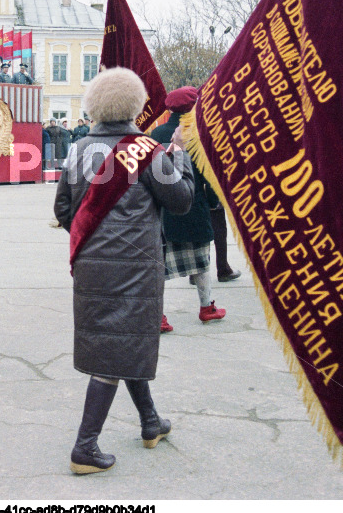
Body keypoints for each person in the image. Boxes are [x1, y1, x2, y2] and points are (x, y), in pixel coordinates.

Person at [54, 67, 194, 475]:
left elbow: (63, 210)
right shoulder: (148, 150)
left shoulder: (78, 150)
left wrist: (93, 239)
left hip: (90, 265)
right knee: (117, 346)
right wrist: (180, 155)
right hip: (135, 267)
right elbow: (182, 200)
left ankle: (150, 422)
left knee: (121, 340)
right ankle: (85, 447)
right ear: (135, 105)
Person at [150, 87, 227, 331]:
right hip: (194, 204)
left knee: (159, 264)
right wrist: (215, 201)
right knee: (202, 258)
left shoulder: (157, 133)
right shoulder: (200, 134)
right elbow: (208, 173)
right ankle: (206, 307)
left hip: (164, 208)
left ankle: (159, 316)